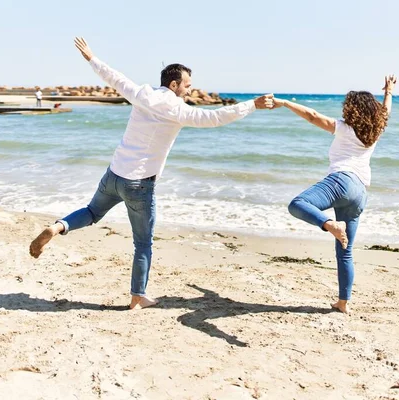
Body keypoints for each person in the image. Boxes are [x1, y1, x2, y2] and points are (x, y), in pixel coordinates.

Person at [29, 37, 273, 310]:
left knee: (91, 212)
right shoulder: (178, 110)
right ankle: (138, 297)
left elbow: (115, 78)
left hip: (114, 174)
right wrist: (252, 104)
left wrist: (91, 57)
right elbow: (215, 118)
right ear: (174, 84)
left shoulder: (142, 93)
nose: (190, 90)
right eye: (187, 85)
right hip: (139, 185)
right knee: (143, 243)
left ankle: (58, 227)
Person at [271, 75, 397, 314]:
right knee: (345, 251)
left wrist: (286, 103)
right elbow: (386, 112)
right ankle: (343, 303)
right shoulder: (376, 130)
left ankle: (329, 224)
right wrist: (389, 92)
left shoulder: (343, 127)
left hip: (341, 181)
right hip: (360, 193)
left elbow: (313, 116)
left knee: (298, 204)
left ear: (352, 110)